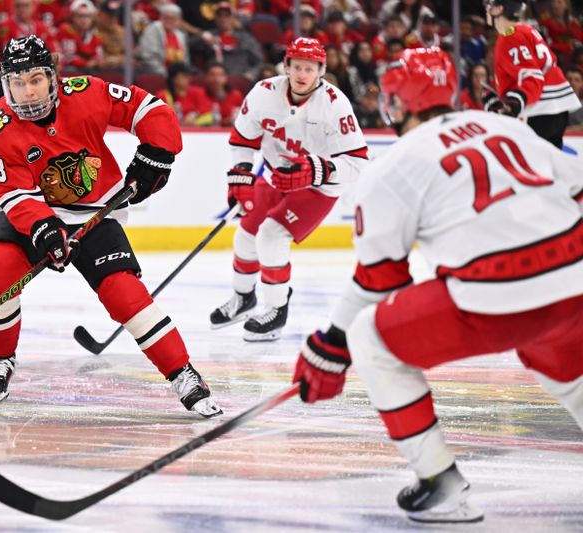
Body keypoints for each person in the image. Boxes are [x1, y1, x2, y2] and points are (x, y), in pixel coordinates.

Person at [291, 47, 583, 523]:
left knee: (370, 336)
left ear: (398, 105)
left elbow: (379, 279)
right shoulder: (508, 127)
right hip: (577, 280)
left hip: (495, 296)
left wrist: (329, 346)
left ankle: (440, 483)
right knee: (570, 372)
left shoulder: (393, 164)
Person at [0, 35, 222, 419]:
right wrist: (43, 228)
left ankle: (182, 373)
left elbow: (149, 108)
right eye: (18, 82)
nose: (27, 91)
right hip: (34, 211)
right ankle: (0, 358)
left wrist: (158, 152)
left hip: (95, 210)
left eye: (36, 79)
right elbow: (15, 194)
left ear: (53, 77)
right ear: (6, 85)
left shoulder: (87, 92)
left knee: (125, 294)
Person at [209, 37, 369, 341]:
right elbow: (243, 140)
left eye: (309, 68)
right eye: (297, 66)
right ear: (287, 66)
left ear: (321, 70)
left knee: (271, 235)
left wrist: (316, 169)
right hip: (274, 177)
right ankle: (244, 298)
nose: (302, 74)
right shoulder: (263, 93)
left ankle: (276, 309)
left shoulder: (336, 105)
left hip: (317, 187)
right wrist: (241, 176)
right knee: (246, 233)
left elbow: (358, 162)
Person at [484, 0, 581, 148]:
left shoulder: (509, 36)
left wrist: (515, 102)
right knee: (548, 166)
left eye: (489, 5)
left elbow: (532, 76)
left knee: (532, 166)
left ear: (498, 9)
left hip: (540, 110)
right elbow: (521, 72)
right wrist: (500, 97)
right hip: (556, 107)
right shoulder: (526, 30)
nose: (486, 9)